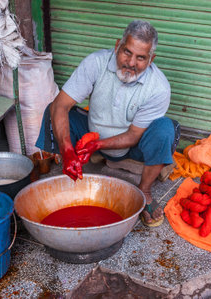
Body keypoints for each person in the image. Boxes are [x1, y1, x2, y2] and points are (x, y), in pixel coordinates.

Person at [36, 20, 180, 227]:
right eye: (127, 52)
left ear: (151, 59)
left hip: (132, 145)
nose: (131, 63)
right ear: (116, 46)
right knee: (54, 110)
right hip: (93, 132)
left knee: (165, 129)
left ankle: (145, 191)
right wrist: (68, 150)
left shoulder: (158, 87)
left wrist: (97, 145)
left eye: (141, 58)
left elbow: (133, 135)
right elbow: (61, 106)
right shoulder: (96, 63)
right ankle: (71, 166)